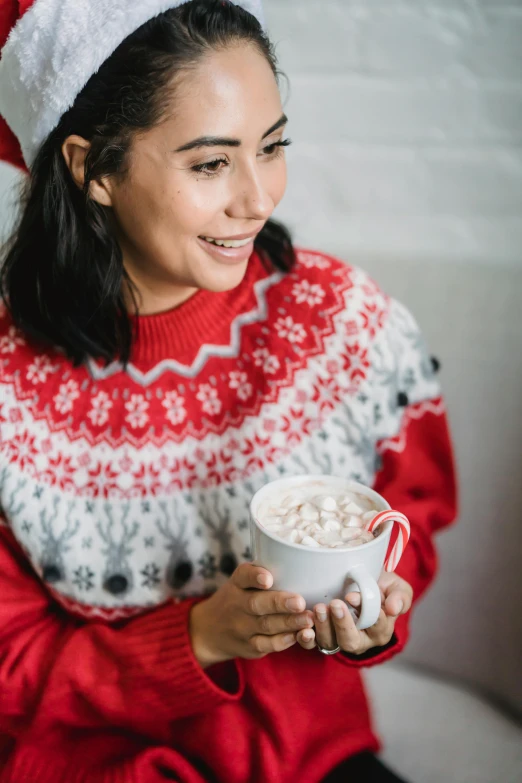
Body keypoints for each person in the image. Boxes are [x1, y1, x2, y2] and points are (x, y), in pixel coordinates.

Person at [0, 1, 457, 781]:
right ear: (91, 168)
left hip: (310, 754)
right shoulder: (11, 388)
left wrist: (376, 611)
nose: (259, 197)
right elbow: (12, 662)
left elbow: (409, 518)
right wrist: (200, 635)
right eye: (211, 163)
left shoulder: (342, 323)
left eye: (272, 147)